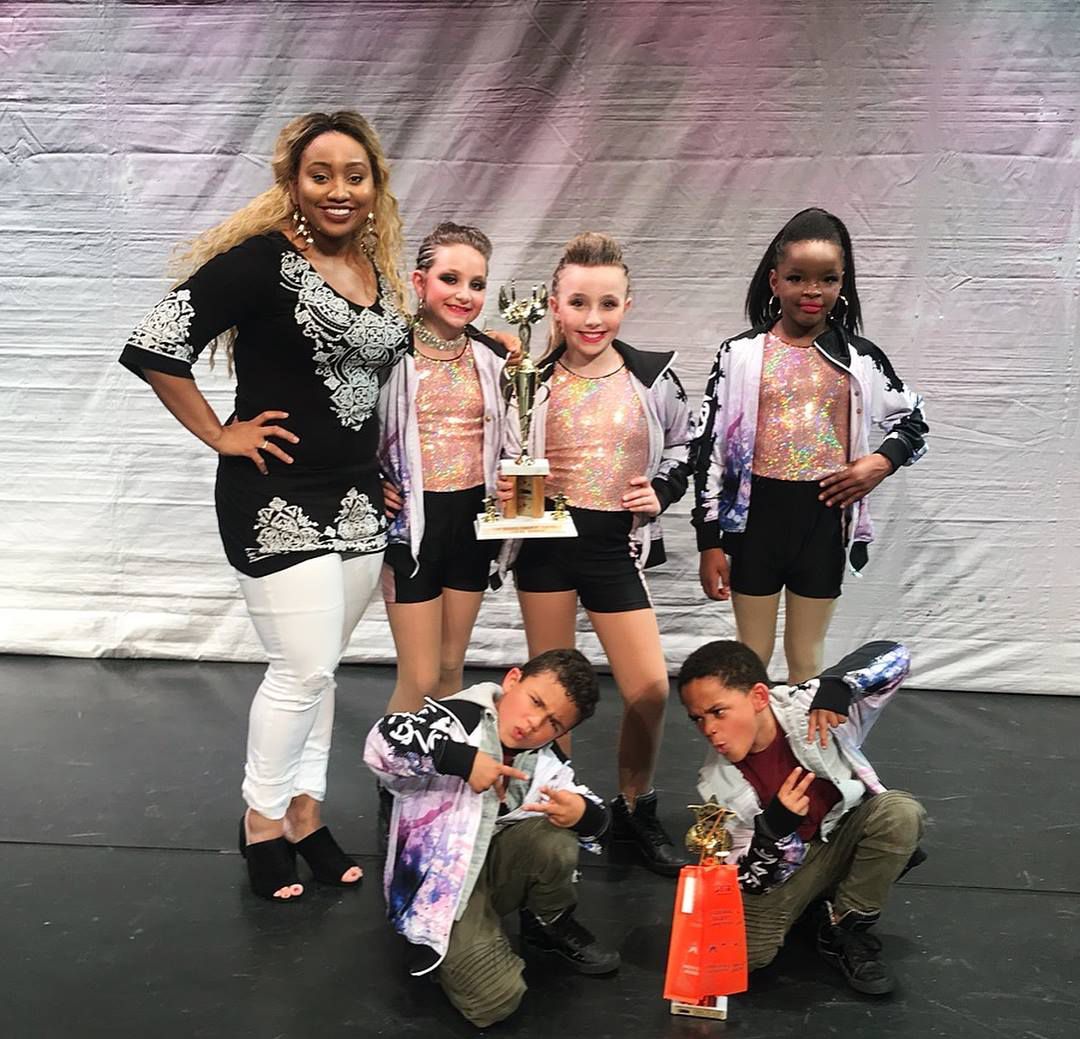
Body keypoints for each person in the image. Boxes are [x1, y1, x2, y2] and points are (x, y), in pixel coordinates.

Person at [117, 110, 413, 901]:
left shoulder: (381, 274)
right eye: (322, 175)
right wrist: (220, 432)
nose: (340, 190)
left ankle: (306, 814)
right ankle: (260, 821)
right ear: (293, 185)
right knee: (302, 667)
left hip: (356, 502)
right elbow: (154, 343)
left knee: (322, 674)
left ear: (375, 186)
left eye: (356, 175)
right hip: (275, 497)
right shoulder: (258, 264)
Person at [496, 232, 692, 877]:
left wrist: (660, 490)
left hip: (611, 546)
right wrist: (508, 482)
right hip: (547, 546)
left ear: (627, 305)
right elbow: (497, 445)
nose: (592, 318)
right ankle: (563, 804)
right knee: (553, 697)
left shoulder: (653, 377)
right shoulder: (529, 379)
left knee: (650, 689)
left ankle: (636, 805)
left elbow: (689, 447)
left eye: (607, 304)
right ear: (553, 305)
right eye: (578, 303)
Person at [690, 208, 929, 683]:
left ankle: (803, 753)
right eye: (798, 278)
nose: (812, 291)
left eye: (828, 279)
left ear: (844, 283)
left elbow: (912, 420)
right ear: (775, 281)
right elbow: (709, 447)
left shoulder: (859, 358)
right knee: (750, 656)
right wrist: (709, 540)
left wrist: (879, 463)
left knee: (806, 655)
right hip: (756, 516)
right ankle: (749, 752)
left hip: (822, 514)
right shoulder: (740, 353)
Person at [363, 648, 619, 1029]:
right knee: (495, 1001)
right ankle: (452, 943)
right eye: (534, 702)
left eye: (553, 724)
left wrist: (584, 814)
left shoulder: (545, 760)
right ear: (512, 679)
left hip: (491, 868)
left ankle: (546, 921)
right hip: (440, 888)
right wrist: (462, 760)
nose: (534, 723)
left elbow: (600, 818)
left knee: (557, 836)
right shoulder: (453, 720)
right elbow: (382, 742)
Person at [677, 638, 926, 995]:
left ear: (759, 697)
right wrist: (773, 831)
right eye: (697, 719)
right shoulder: (716, 785)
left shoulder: (811, 708)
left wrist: (841, 684)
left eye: (719, 711)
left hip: (845, 836)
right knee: (743, 957)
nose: (709, 729)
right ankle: (815, 905)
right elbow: (749, 882)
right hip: (795, 868)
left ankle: (843, 927)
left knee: (899, 814)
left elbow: (896, 656)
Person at [378, 222, 508, 711]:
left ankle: (442, 781)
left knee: (452, 666)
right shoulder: (389, 354)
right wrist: (368, 481)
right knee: (420, 673)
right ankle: (393, 779)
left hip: (473, 521)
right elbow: (347, 426)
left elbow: (512, 433)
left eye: (476, 284)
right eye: (450, 279)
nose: (464, 294)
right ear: (419, 283)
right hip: (412, 526)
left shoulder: (492, 356)